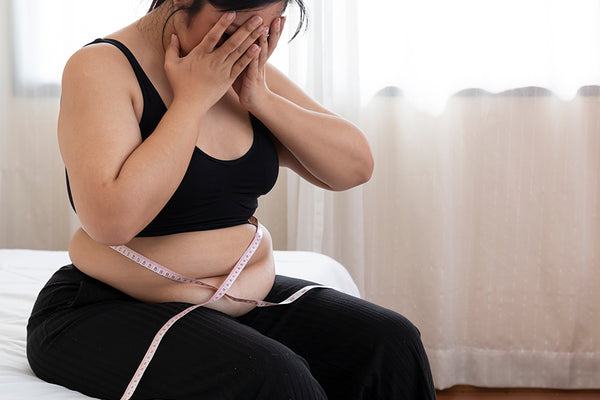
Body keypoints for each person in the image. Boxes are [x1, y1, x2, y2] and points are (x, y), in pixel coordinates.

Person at [26, 0, 437, 398]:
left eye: (265, 30)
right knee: (276, 378)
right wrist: (191, 102)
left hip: (230, 297)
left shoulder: (241, 69)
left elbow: (354, 167)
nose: (249, 44)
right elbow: (110, 221)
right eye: (238, 29)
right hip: (102, 306)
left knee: (392, 344)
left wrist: (261, 98)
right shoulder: (101, 67)